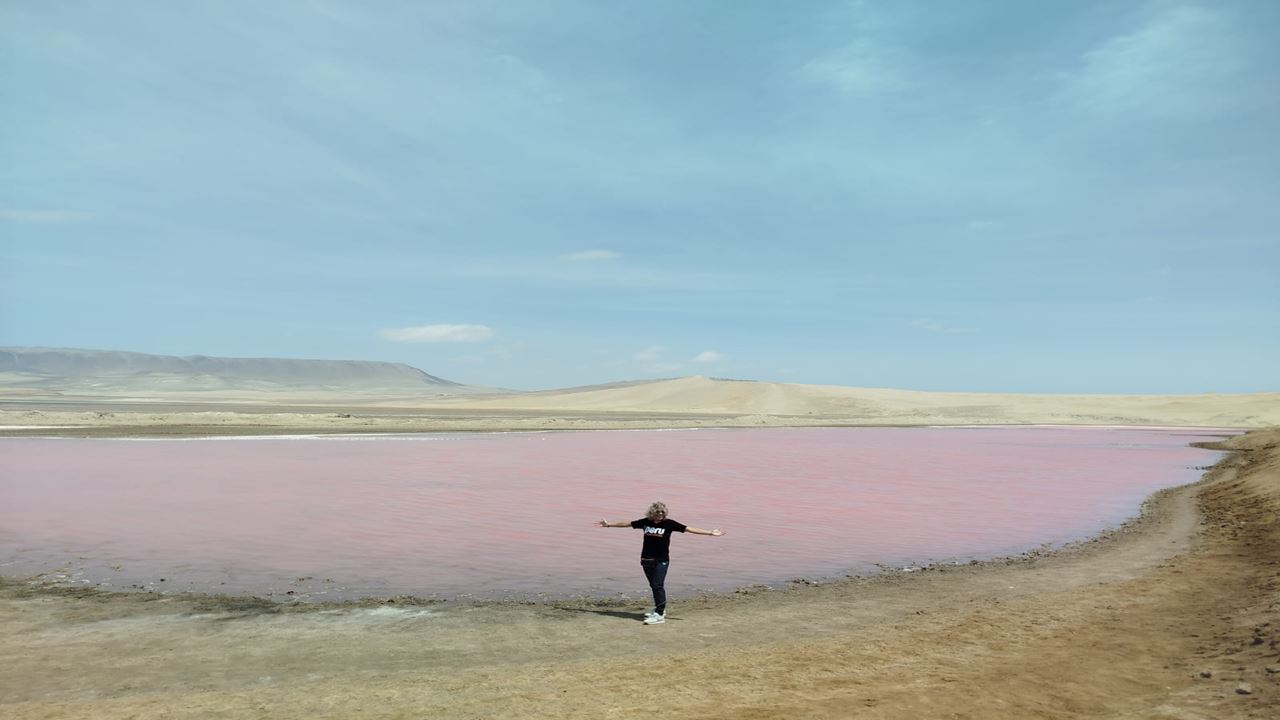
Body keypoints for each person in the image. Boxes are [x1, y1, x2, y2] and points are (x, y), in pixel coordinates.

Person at [596, 501, 724, 625]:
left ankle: (659, 615)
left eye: (662, 513)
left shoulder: (669, 524)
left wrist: (710, 533)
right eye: (657, 513)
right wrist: (609, 524)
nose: (660, 515)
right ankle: (659, 608)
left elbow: (688, 528)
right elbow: (627, 524)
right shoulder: (646, 522)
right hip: (646, 560)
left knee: (658, 585)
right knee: (653, 585)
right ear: (652, 513)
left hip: (661, 561)